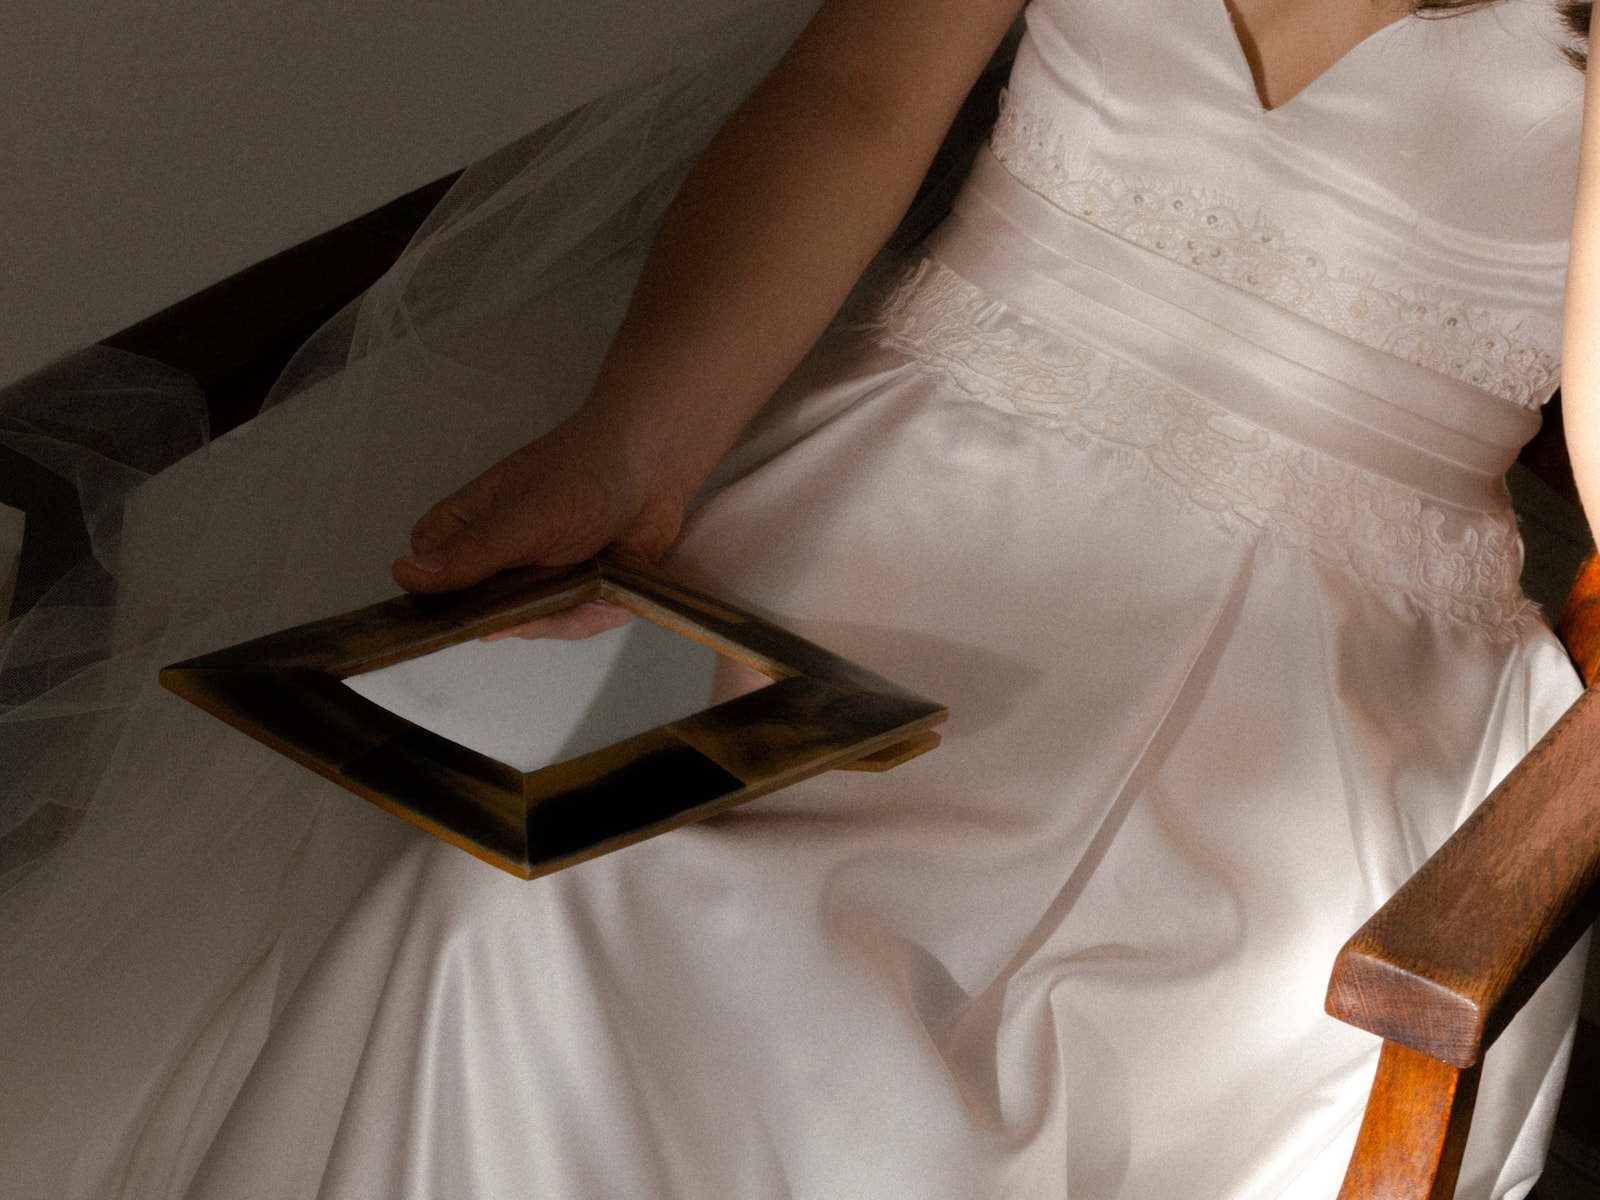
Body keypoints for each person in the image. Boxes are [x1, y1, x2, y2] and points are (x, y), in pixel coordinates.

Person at [0, 0, 1593, 1196]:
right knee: (524, 903)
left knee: (900, 1068)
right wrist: (635, 445)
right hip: (897, 493)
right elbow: (857, 91)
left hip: (1318, 652)